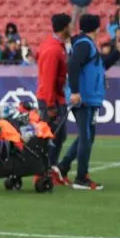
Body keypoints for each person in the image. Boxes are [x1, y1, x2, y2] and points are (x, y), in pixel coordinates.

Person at [56, 14, 120, 190]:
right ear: (96, 28)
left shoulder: (86, 44)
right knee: (86, 136)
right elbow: (73, 65)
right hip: (83, 98)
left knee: (87, 136)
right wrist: (75, 91)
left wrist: (117, 52)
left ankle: (63, 167)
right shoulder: (85, 44)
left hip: (89, 98)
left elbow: (100, 66)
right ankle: (81, 177)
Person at [35, 14, 72, 185]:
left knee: (58, 135)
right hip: (51, 99)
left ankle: (49, 169)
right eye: (69, 26)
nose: (71, 28)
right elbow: (48, 79)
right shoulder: (54, 50)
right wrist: (50, 105)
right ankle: (43, 171)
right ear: (64, 28)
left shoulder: (52, 45)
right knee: (52, 136)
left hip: (54, 97)